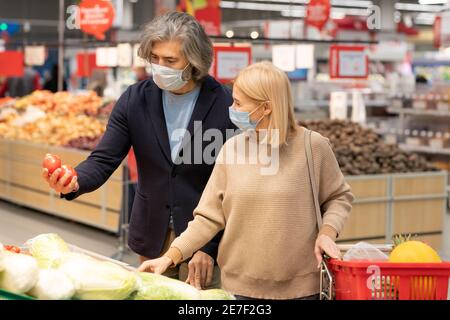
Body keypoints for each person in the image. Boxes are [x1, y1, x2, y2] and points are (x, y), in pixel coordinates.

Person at [42, 12, 235, 290]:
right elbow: (104, 158)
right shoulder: (136, 99)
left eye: (170, 61)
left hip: (207, 239)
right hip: (152, 234)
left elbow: (236, 186)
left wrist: (211, 246)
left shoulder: (225, 104)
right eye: (154, 58)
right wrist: (74, 179)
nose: (159, 67)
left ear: (194, 61)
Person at [138, 61, 354, 300]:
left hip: (303, 290)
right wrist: (170, 256)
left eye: (238, 103)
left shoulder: (312, 147)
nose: (232, 108)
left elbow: (339, 197)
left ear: (266, 108)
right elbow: (207, 217)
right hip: (239, 290)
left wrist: (327, 232)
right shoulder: (232, 149)